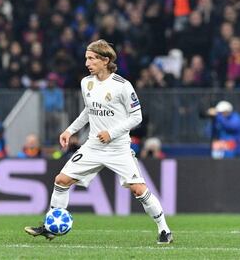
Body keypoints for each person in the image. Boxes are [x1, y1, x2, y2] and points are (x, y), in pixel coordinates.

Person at [24, 39, 173, 244]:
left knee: (139, 189)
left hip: (118, 148)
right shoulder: (87, 82)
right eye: (86, 58)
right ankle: (50, 227)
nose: (87, 62)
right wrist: (70, 130)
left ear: (105, 60)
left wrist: (111, 133)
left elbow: (136, 116)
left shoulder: (122, 85)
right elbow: (88, 111)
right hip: (93, 146)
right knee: (61, 180)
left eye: (92, 58)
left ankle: (164, 230)